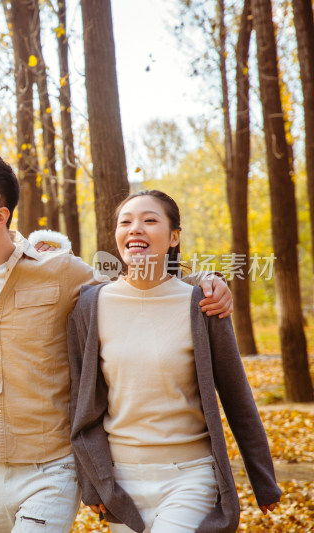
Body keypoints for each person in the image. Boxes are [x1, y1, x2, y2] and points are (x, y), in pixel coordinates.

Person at [0, 153, 234, 532]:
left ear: (0, 216)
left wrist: (205, 281)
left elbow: (136, 282)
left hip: (53, 464)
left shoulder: (61, 270)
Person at [68, 190, 281, 532]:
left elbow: (237, 397)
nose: (135, 228)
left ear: (173, 237)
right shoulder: (89, 306)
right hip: (120, 483)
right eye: (126, 222)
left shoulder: (203, 304)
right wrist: (94, 481)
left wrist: (263, 479)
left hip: (190, 478)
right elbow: (82, 402)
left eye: (149, 220)